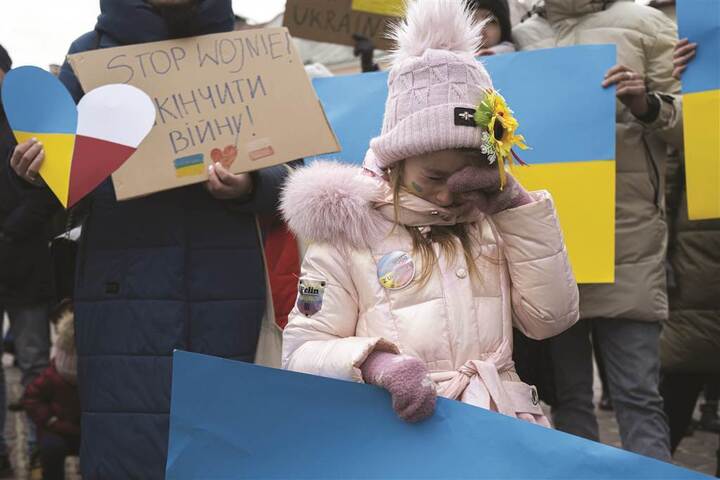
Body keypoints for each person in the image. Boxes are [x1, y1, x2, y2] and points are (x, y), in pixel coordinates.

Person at [9, 1, 294, 477]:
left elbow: (299, 171)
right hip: (124, 293)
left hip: (229, 288)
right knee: (132, 445)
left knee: (226, 447)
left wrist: (251, 185)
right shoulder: (91, 56)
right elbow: (64, 181)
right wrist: (35, 175)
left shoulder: (249, 50)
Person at [280, 0, 579, 425]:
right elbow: (301, 351)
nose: (446, 197)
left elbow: (551, 319)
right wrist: (375, 365)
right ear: (399, 161)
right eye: (434, 177)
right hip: (397, 431)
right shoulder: (346, 235)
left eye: (466, 177)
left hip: (495, 425)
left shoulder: (494, 224)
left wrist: (516, 209)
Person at [513, 0, 684, 462]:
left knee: (637, 396)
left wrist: (647, 104)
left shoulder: (647, 24)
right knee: (569, 399)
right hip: (553, 243)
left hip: (628, 240)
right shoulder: (524, 37)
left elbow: (704, 129)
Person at [658, 35, 720, 463]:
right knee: (675, 394)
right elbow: (671, 170)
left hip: (693, 260)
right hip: (695, 264)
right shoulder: (700, 90)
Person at [0, 43, 56, 479]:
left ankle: (43, 449)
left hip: (25, 263)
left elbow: (52, 190)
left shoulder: (30, 122)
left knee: (35, 362)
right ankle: (4, 448)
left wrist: (11, 229)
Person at [22, 305, 80, 480]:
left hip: (85, 431)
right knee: (51, 451)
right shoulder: (51, 375)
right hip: (57, 430)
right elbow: (32, 398)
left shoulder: (93, 379)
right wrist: (49, 420)